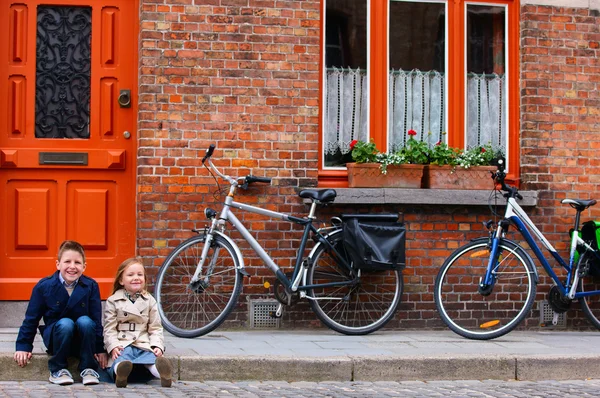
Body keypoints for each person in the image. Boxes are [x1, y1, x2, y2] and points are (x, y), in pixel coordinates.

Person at [13, 240, 108, 385]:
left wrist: (100, 349)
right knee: (65, 323)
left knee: (86, 321)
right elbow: (31, 319)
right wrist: (23, 346)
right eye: (67, 261)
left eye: (77, 262)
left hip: (82, 340)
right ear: (58, 264)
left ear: (84, 266)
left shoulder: (91, 286)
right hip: (56, 338)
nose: (72, 266)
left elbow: (96, 321)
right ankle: (58, 369)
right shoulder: (44, 287)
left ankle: (88, 367)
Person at [104, 257, 173, 388]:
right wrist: (113, 346)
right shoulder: (113, 301)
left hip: (143, 342)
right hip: (123, 343)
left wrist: (157, 346)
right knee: (121, 359)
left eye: (140, 275)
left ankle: (164, 374)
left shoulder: (149, 300)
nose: (136, 278)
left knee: (151, 360)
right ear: (121, 280)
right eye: (130, 275)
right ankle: (121, 374)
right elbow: (109, 329)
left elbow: (156, 328)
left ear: (144, 279)